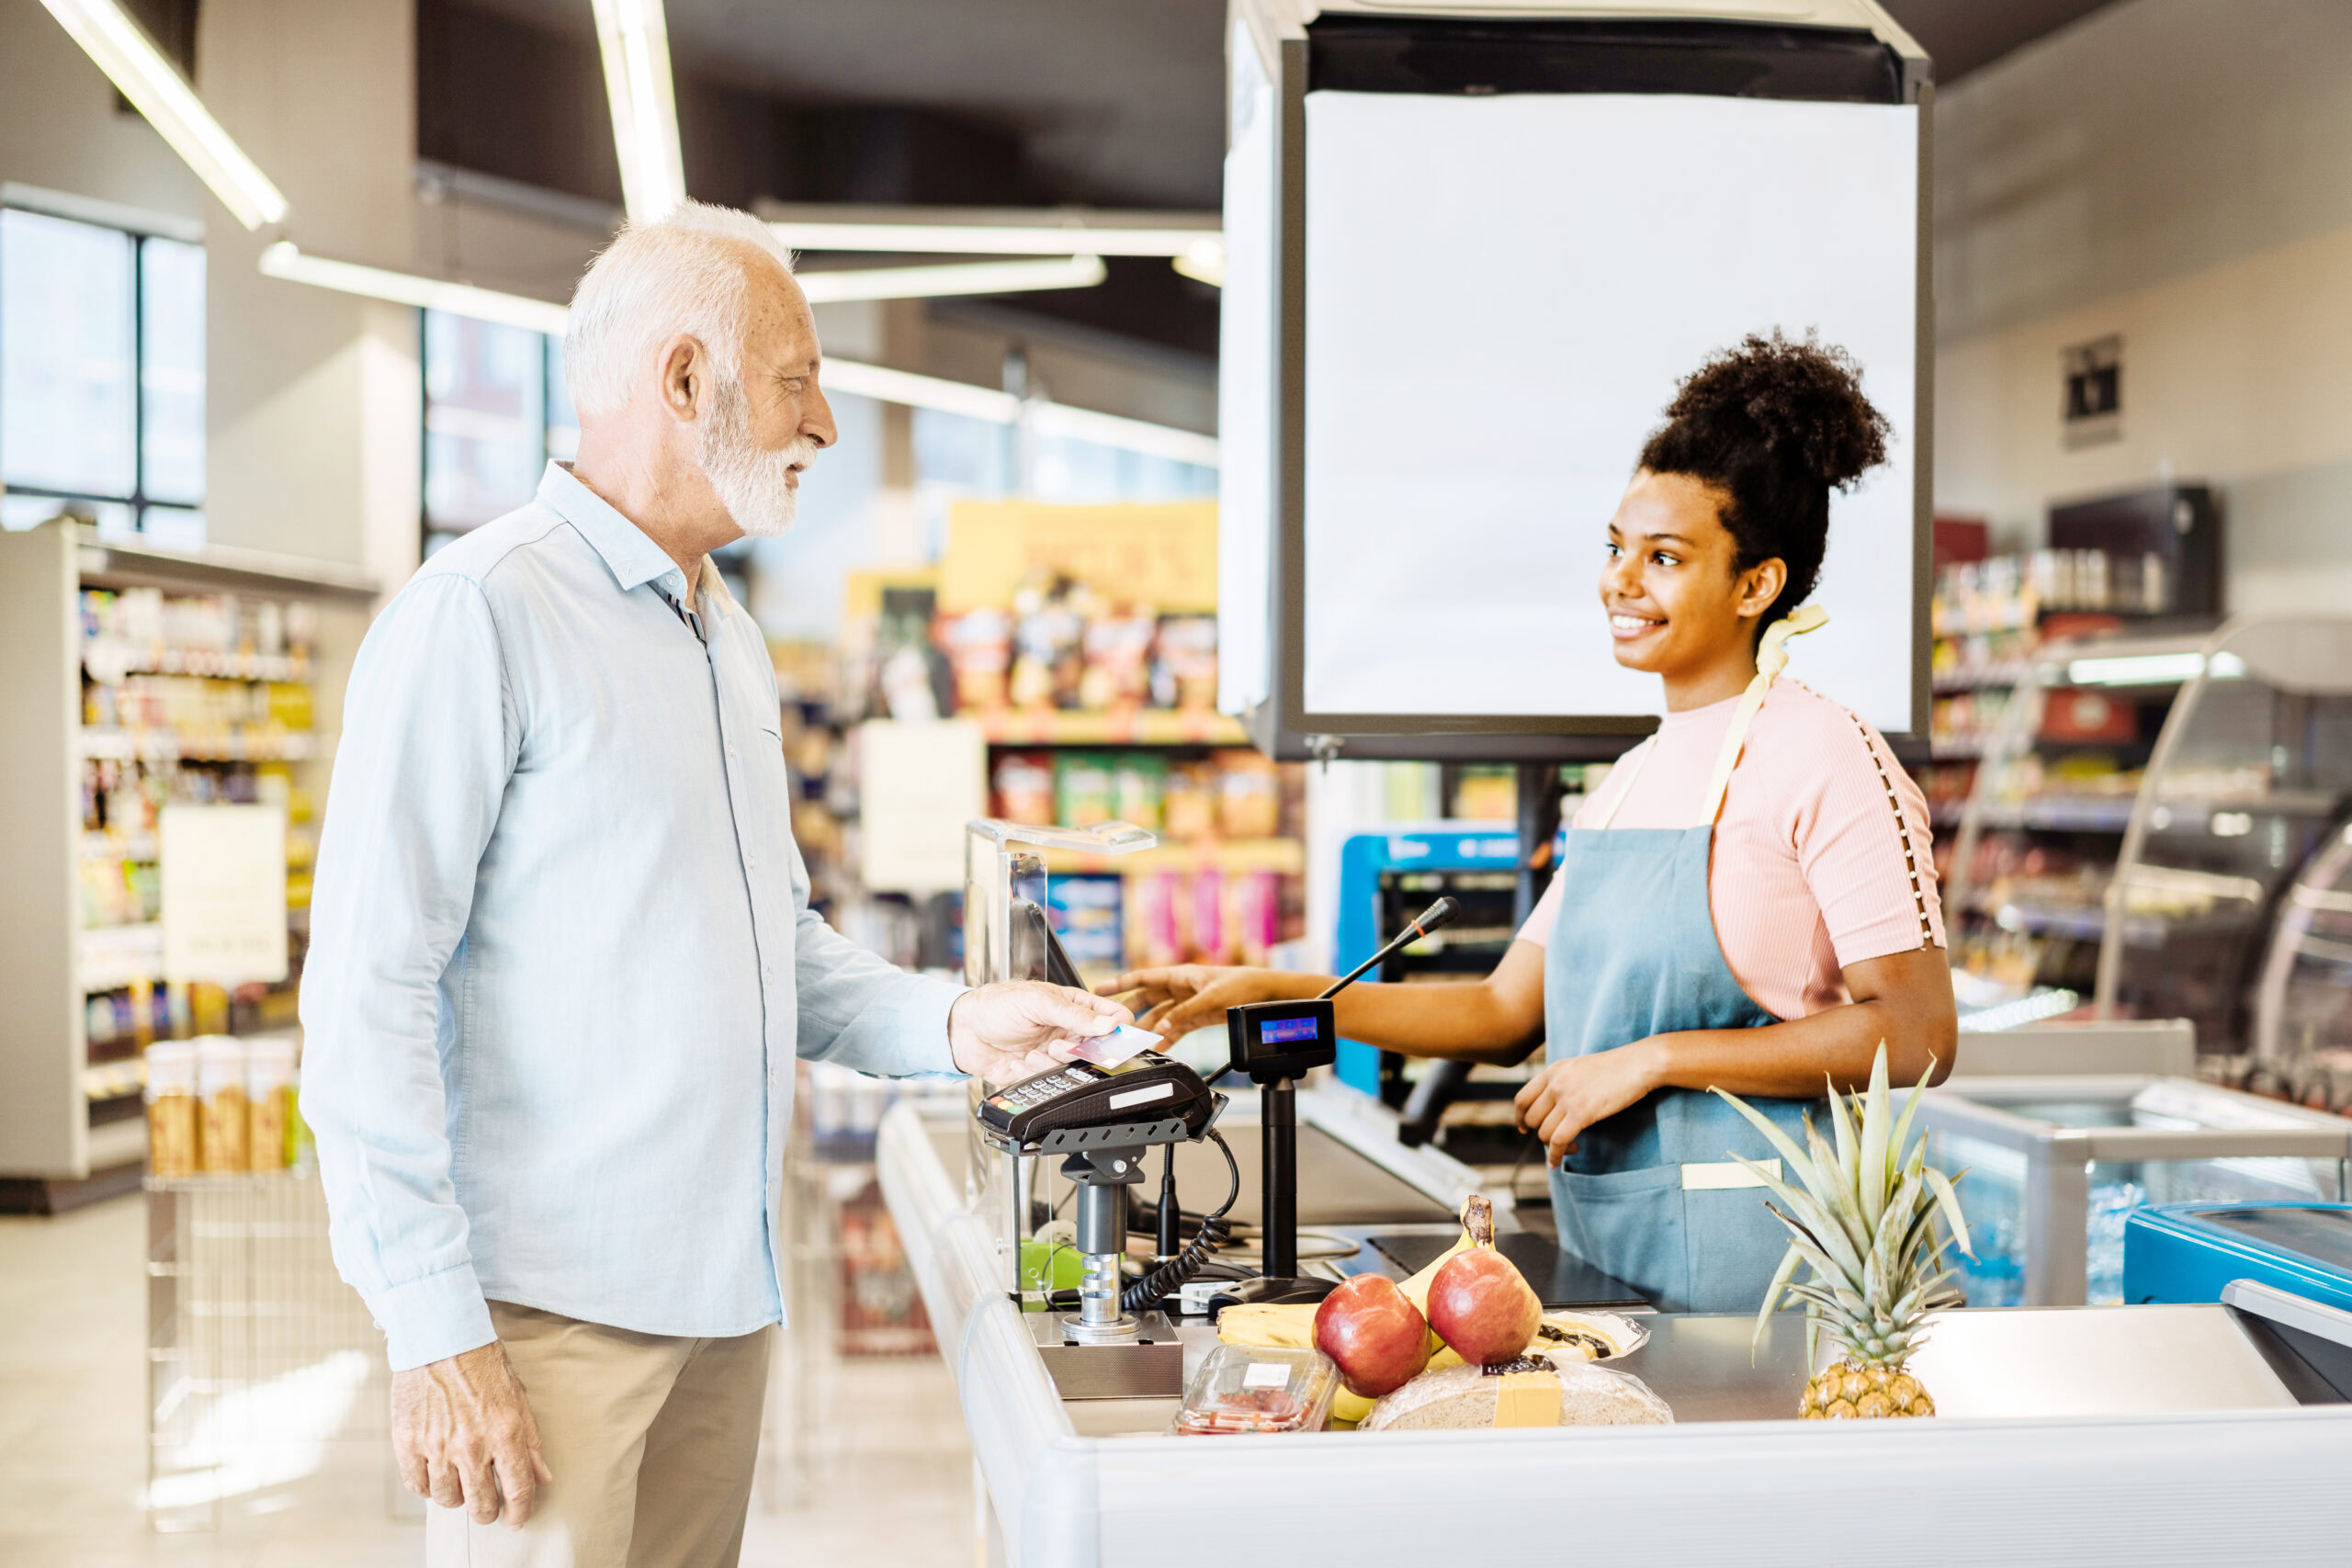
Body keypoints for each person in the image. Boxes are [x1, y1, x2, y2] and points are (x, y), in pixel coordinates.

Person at [299, 201, 1131, 1563]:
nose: (826, 424)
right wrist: (434, 1327)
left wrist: (952, 1021)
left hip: (720, 1305)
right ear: (685, 380)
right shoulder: (483, 612)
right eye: (799, 377)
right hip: (542, 1319)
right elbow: (365, 989)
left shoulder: (720, 629)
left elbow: (771, 946)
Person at [1104, 333, 1956, 1314]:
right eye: (1615, 547)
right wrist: (1256, 994)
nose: (1621, 581)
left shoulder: (1828, 757)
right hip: (1618, 1255)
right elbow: (1502, 1012)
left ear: (1756, 584)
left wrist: (1656, 1058)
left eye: (1665, 557)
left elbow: (1919, 1030)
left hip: (1771, 1281)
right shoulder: (1632, 781)